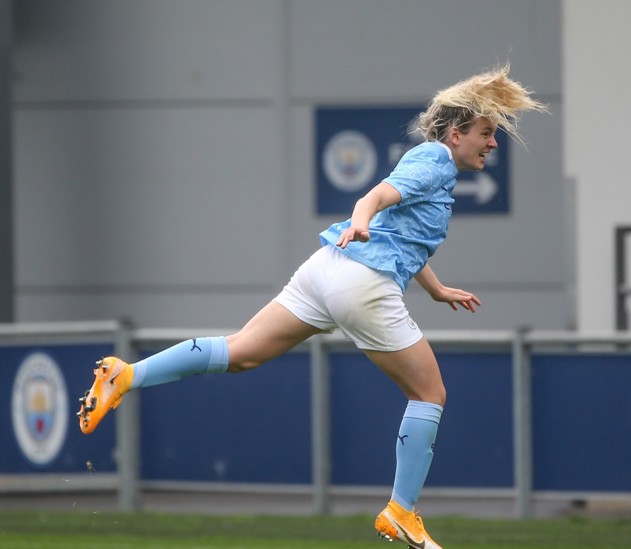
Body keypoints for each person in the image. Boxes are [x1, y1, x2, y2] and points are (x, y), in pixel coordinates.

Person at [76, 63, 546, 549]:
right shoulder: (436, 160)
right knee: (430, 395)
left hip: (325, 268)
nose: (493, 143)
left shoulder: (432, 165)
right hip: (361, 283)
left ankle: (126, 375)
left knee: (241, 353)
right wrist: (361, 218)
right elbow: (377, 197)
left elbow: (399, 234)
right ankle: (401, 511)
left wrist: (435, 288)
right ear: (455, 134)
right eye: (487, 133)